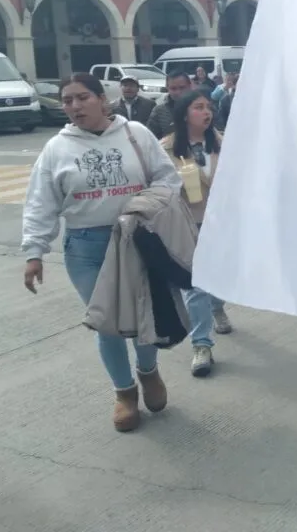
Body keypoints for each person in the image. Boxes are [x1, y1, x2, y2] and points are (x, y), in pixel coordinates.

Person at [21, 73, 181, 432]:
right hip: (86, 247)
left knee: (144, 315)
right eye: (67, 101)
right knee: (106, 323)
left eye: (82, 98)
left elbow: (168, 178)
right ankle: (124, 393)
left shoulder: (136, 134)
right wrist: (34, 251)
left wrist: (142, 208)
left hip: (138, 238)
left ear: (102, 99)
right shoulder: (56, 149)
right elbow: (40, 202)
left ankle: (149, 372)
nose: (74, 106)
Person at [161, 91, 234, 377]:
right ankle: (201, 345)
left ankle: (218, 307)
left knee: (220, 277)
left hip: (221, 223)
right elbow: (157, 184)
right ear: (183, 114)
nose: (207, 112)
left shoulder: (225, 143)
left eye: (209, 107)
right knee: (194, 286)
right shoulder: (166, 148)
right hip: (187, 224)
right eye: (198, 107)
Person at [146, 72, 192, 139]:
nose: (178, 92)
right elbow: (150, 138)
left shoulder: (202, 107)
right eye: (173, 88)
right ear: (167, 88)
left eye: (182, 88)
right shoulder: (159, 111)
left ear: (189, 86)